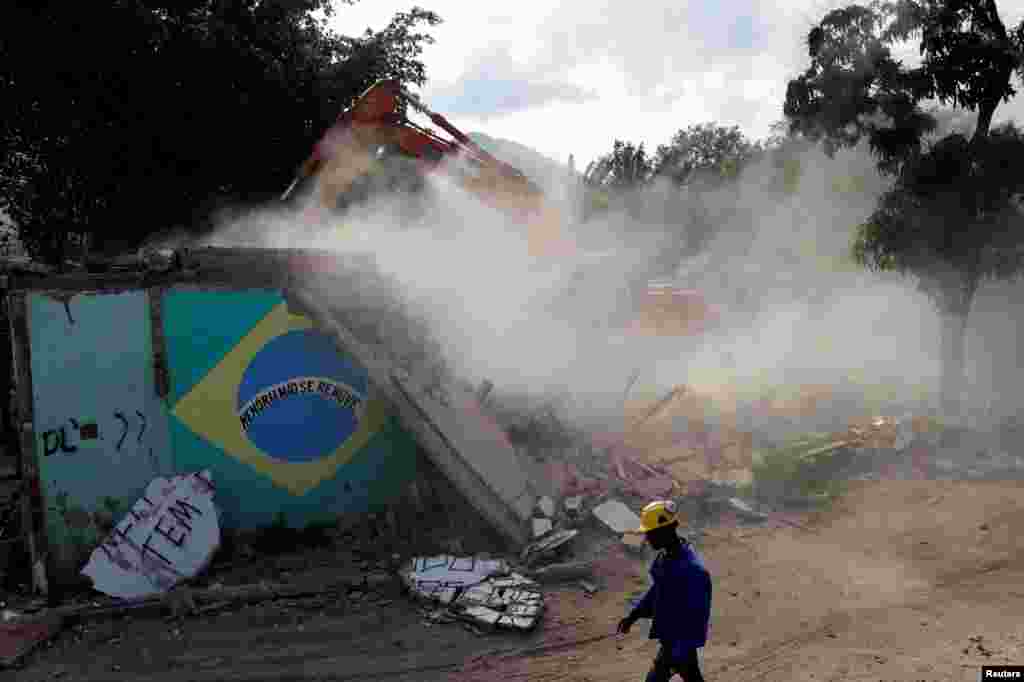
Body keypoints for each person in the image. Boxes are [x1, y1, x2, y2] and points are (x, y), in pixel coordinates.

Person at [616, 499, 712, 682]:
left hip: (680, 644)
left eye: (650, 533)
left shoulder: (693, 570)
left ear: (666, 531)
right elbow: (659, 589)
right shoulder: (665, 558)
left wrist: (679, 650)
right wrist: (634, 615)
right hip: (672, 641)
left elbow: (698, 615)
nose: (647, 538)